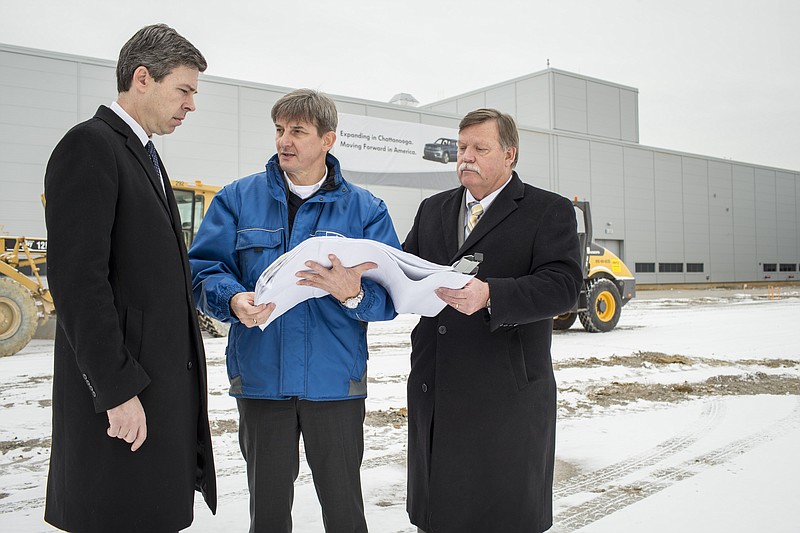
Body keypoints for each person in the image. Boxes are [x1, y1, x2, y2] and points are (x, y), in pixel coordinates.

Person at [189, 88, 399, 533]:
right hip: (262, 380)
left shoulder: (365, 210)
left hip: (335, 384)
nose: (284, 140)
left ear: (328, 139)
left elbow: (391, 298)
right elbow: (202, 271)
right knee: (267, 514)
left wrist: (352, 294)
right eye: (280, 130)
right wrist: (231, 298)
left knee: (345, 512)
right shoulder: (236, 199)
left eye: (297, 131)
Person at [43, 24, 216, 533]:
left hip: (152, 391)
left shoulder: (142, 152)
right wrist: (116, 391)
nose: (191, 105)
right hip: (123, 400)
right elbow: (79, 283)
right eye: (184, 90)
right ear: (143, 77)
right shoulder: (90, 146)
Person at [403, 108, 583, 533]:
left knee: (501, 514)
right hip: (438, 385)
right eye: (462, 147)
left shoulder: (548, 211)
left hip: (506, 394)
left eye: (479, 148)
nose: (466, 157)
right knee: (440, 513)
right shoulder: (433, 210)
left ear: (509, 155)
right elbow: (407, 270)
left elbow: (563, 286)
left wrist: (492, 295)